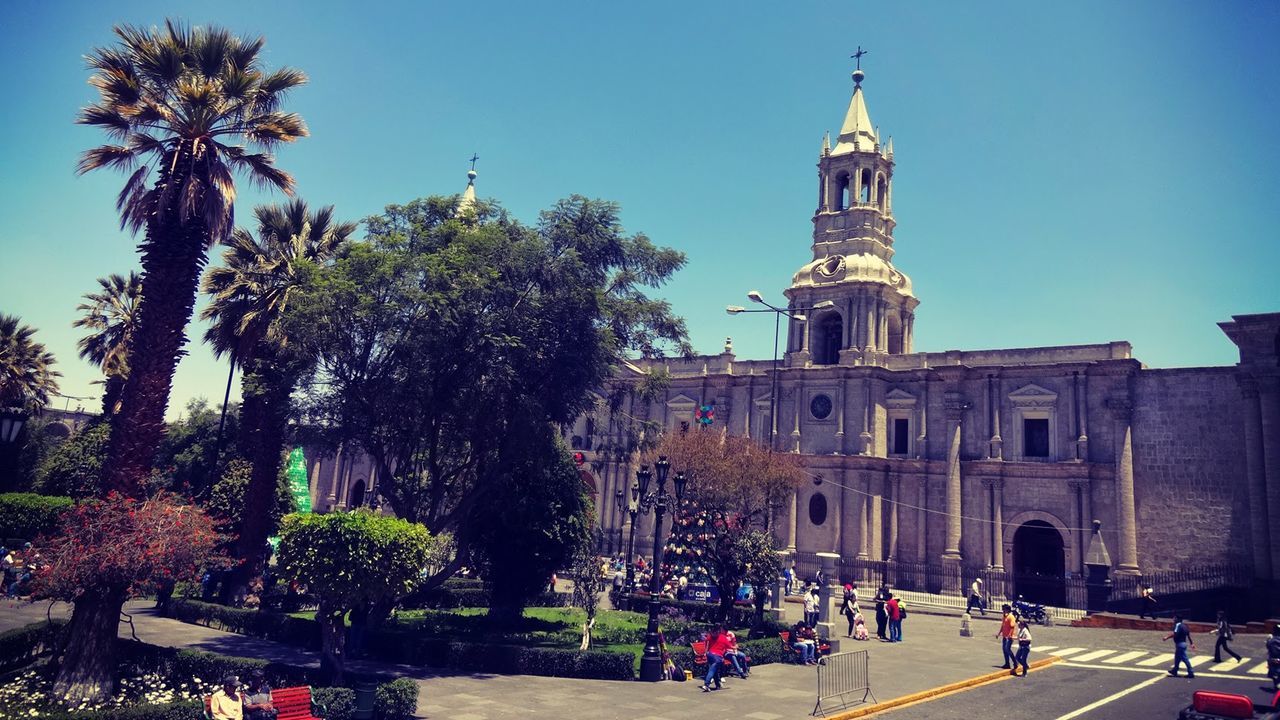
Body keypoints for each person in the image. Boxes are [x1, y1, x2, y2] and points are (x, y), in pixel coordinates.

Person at [701, 625, 730, 692]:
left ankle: (718, 684)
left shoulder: (715, 636)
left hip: (711, 655)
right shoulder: (720, 637)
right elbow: (729, 646)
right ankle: (706, 684)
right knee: (713, 668)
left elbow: (706, 642)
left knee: (714, 669)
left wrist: (706, 651)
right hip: (716, 657)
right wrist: (735, 647)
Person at [997, 604, 1017, 669]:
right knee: (1004, 650)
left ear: (1008, 610)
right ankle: (1007, 663)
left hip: (1009, 637)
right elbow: (1003, 626)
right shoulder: (1004, 617)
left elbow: (1012, 627)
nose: (1003, 610)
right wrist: (999, 633)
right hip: (1004, 636)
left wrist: (1009, 635)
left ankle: (1015, 662)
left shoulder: (1011, 617)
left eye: (1004, 609)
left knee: (1008, 649)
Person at [1265, 625, 1280, 691]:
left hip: (1273, 659)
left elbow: (1268, 646)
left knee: (1274, 673)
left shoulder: (1271, 640)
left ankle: (1276, 685)